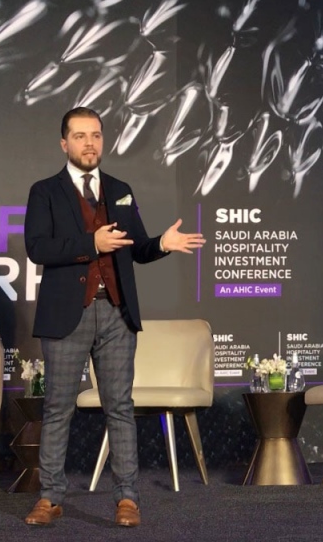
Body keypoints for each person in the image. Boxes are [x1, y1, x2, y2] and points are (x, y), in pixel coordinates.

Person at [22, 107, 205, 527]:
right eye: (80, 136)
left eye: (96, 135)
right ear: (64, 143)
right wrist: (92, 243)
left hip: (117, 314)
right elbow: (38, 248)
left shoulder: (120, 190)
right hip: (68, 316)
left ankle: (127, 500)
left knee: (120, 407)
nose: (89, 143)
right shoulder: (45, 191)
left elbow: (136, 248)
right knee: (58, 408)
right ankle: (50, 498)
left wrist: (162, 243)